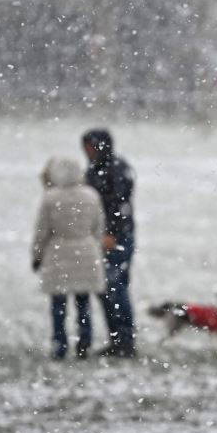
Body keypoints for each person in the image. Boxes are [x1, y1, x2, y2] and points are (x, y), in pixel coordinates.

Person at [31, 157, 106, 360]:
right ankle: (85, 343)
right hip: (86, 252)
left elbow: (42, 232)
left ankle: (60, 344)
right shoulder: (91, 196)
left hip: (58, 253)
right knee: (83, 303)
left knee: (58, 306)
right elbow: (98, 227)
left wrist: (36, 255)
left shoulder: (50, 198)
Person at [82, 128, 138, 358]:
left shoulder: (114, 170)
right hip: (106, 236)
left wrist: (112, 233)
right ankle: (119, 339)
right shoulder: (101, 169)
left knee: (114, 287)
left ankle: (123, 339)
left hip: (114, 238)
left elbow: (119, 204)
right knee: (108, 288)